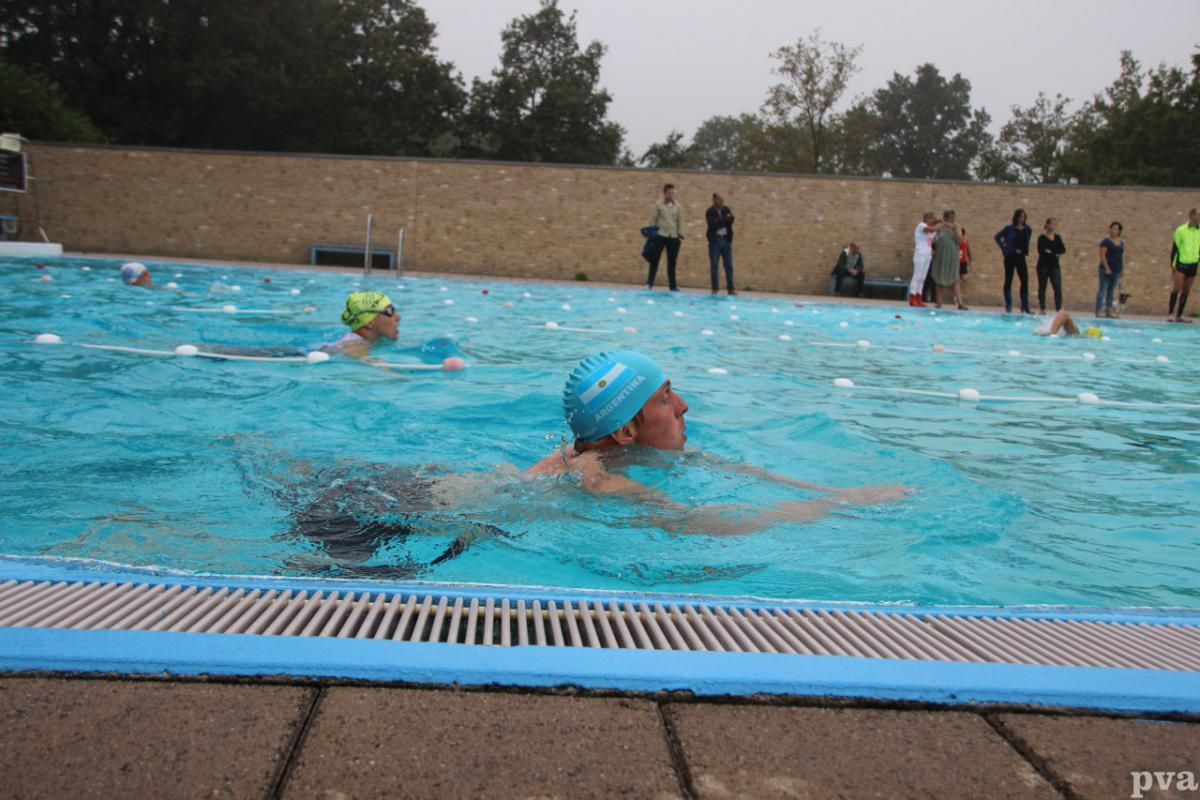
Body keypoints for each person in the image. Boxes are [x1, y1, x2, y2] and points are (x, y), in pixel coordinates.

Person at [527, 350, 909, 536]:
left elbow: (743, 472)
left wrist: (843, 495)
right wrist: (826, 510)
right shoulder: (594, 477)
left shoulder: (605, 455)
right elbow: (697, 524)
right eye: (665, 396)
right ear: (626, 432)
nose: (683, 405)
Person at [323, 291, 400, 355]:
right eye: (390, 311)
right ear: (369, 322)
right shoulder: (357, 345)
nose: (398, 317)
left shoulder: (372, 341)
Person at [995, 209, 1033, 314]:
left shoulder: (1027, 229)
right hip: (1011, 256)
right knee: (1009, 279)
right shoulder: (1009, 228)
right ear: (1016, 217)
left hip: (1021, 256)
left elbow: (1027, 241)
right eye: (1020, 217)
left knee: (1024, 280)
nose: (1022, 219)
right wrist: (1005, 248)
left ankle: (1025, 306)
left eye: (1024, 217)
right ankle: (1009, 304)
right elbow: (998, 237)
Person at [647, 184, 684, 291]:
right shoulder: (658, 205)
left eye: (672, 193)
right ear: (664, 193)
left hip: (673, 236)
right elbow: (653, 220)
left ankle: (673, 286)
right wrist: (651, 234)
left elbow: (680, 221)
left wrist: (680, 236)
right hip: (660, 235)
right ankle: (649, 283)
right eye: (669, 193)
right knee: (655, 260)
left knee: (672, 262)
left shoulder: (678, 206)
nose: (671, 195)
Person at [1168, 208, 1200, 323]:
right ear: (1191, 216)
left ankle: (1179, 315)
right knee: (1177, 288)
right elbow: (1175, 248)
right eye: (1198, 215)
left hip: (1193, 263)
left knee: (1186, 290)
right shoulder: (1181, 230)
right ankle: (1171, 313)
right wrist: (1173, 265)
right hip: (1181, 263)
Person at [928, 210, 963, 309]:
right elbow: (932, 229)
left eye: (952, 217)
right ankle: (939, 302)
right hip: (941, 255)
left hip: (952, 256)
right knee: (939, 278)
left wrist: (952, 228)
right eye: (948, 217)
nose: (951, 219)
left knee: (955, 278)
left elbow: (960, 240)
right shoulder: (941, 226)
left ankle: (960, 303)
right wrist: (940, 222)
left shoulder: (957, 226)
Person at [908, 212, 945, 307]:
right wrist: (941, 224)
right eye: (931, 218)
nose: (932, 220)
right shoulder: (921, 225)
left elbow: (932, 239)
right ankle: (912, 297)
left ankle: (919, 297)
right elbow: (930, 229)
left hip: (927, 254)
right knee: (917, 276)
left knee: (922, 277)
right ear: (926, 218)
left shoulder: (933, 229)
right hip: (920, 253)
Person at [705, 192, 736, 295]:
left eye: (723, 199)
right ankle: (715, 288)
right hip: (715, 241)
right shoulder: (710, 212)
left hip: (726, 240)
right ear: (714, 200)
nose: (722, 201)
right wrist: (724, 220)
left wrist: (722, 221)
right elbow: (713, 225)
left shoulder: (726, 209)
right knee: (714, 265)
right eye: (719, 199)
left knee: (729, 265)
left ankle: (731, 288)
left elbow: (731, 220)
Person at [1036, 218, 1067, 314]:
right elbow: (1041, 250)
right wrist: (1053, 252)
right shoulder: (1042, 237)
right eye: (1051, 224)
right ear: (1047, 225)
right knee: (1042, 286)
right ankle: (1042, 308)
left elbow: (1062, 249)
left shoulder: (1057, 237)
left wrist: (1052, 252)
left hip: (1054, 265)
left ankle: (1058, 308)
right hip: (1043, 265)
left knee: (1057, 286)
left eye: (1055, 224)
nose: (1053, 226)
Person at [1096, 221, 1125, 318]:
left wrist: (1121, 270)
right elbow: (1102, 255)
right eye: (1112, 228)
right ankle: (1099, 310)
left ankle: (1108, 310)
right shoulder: (1105, 242)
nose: (1113, 230)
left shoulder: (1121, 243)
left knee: (1111, 291)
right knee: (1102, 290)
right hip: (1105, 269)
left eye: (1116, 228)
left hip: (1116, 270)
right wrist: (1107, 268)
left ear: (1119, 231)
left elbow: (1121, 256)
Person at [957, 226, 973, 310]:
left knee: (964, 277)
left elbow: (968, 250)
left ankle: (959, 297)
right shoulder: (955, 240)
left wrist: (970, 260)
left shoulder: (965, 240)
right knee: (956, 280)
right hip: (955, 261)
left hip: (962, 261)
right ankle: (957, 298)